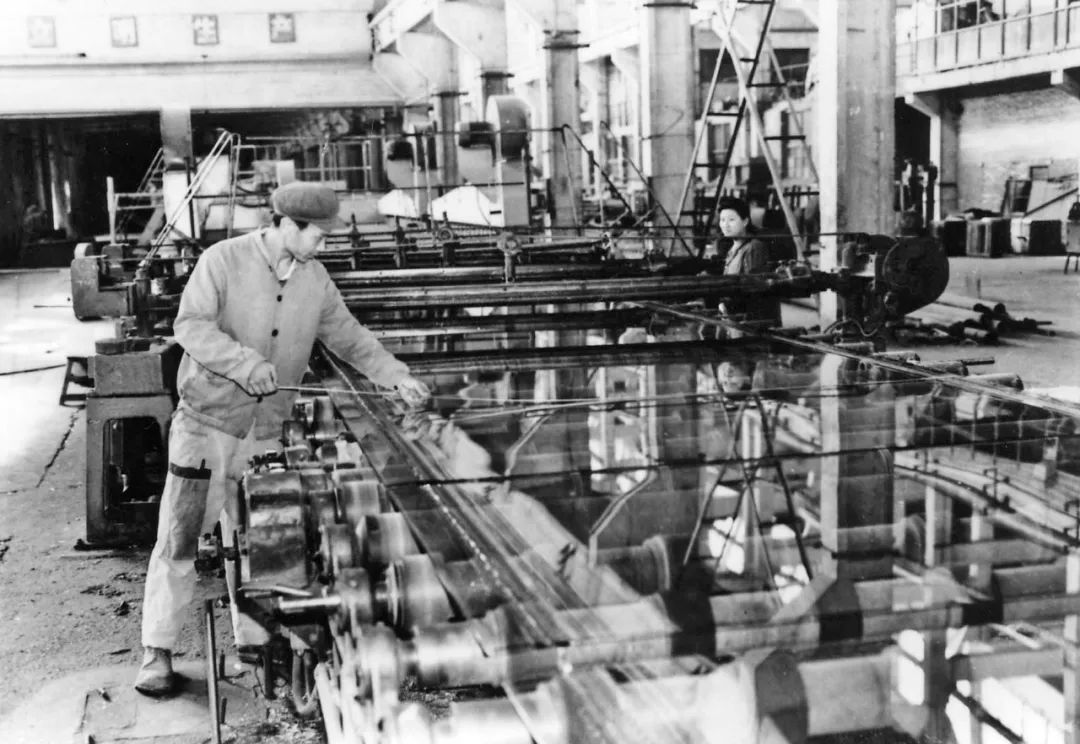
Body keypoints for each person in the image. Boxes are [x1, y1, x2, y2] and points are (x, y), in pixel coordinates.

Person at [135, 181, 430, 696]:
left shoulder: (315, 279)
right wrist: (244, 363)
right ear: (288, 224)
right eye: (319, 234)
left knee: (263, 541)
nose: (325, 244)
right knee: (180, 537)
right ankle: (157, 650)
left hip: (266, 433)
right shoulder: (223, 260)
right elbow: (191, 326)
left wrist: (396, 376)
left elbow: (349, 336)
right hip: (207, 426)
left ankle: (254, 643)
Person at [716, 196, 782, 331]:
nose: (725, 225)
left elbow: (753, 290)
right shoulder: (732, 249)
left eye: (731, 220)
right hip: (736, 319)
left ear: (745, 221)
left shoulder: (754, 248)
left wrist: (727, 306)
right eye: (722, 220)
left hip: (752, 323)